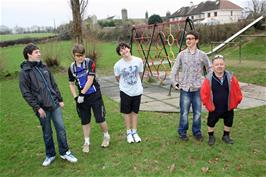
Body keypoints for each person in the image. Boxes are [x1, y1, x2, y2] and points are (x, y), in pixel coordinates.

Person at [19, 43, 78, 167]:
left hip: (54, 104)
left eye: (39, 51)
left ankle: (65, 152)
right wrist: (37, 107)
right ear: (29, 55)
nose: (39, 54)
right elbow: (26, 93)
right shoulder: (25, 72)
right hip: (41, 108)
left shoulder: (44, 67)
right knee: (47, 132)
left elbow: (53, 84)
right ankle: (50, 155)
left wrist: (60, 99)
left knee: (61, 129)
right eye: (36, 52)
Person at [68, 44, 110, 153]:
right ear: (74, 56)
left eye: (82, 55)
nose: (80, 58)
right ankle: (86, 142)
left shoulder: (90, 63)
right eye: (78, 56)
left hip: (95, 95)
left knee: (100, 118)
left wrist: (81, 94)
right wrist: (75, 97)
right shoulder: (71, 68)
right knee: (85, 120)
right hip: (82, 98)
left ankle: (106, 136)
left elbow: (90, 80)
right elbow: (71, 84)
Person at [171, 31, 212, 141]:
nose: (188, 40)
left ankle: (197, 132)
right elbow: (174, 69)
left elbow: (210, 68)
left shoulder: (202, 55)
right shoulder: (182, 54)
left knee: (197, 112)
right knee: (184, 112)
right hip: (185, 89)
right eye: (187, 38)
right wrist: (174, 82)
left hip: (198, 89)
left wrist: (206, 82)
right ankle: (182, 132)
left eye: (191, 38)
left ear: (196, 40)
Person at [200, 55, 242, 146]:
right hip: (214, 106)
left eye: (221, 64)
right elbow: (204, 93)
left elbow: (237, 90)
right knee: (211, 121)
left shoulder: (231, 78)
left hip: (227, 105)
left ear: (224, 65)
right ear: (213, 66)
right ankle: (211, 136)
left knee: (228, 120)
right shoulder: (209, 79)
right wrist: (207, 104)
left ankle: (226, 136)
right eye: (217, 64)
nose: (219, 66)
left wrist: (237, 100)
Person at [114, 42, 143, 143]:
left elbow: (139, 73)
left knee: (135, 112)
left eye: (125, 48)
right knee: (127, 113)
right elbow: (117, 77)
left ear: (129, 49)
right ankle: (129, 133)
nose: (124, 51)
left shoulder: (138, 61)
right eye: (121, 50)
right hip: (125, 91)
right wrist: (125, 84)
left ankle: (135, 132)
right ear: (120, 53)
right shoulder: (118, 65)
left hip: (137, 91)